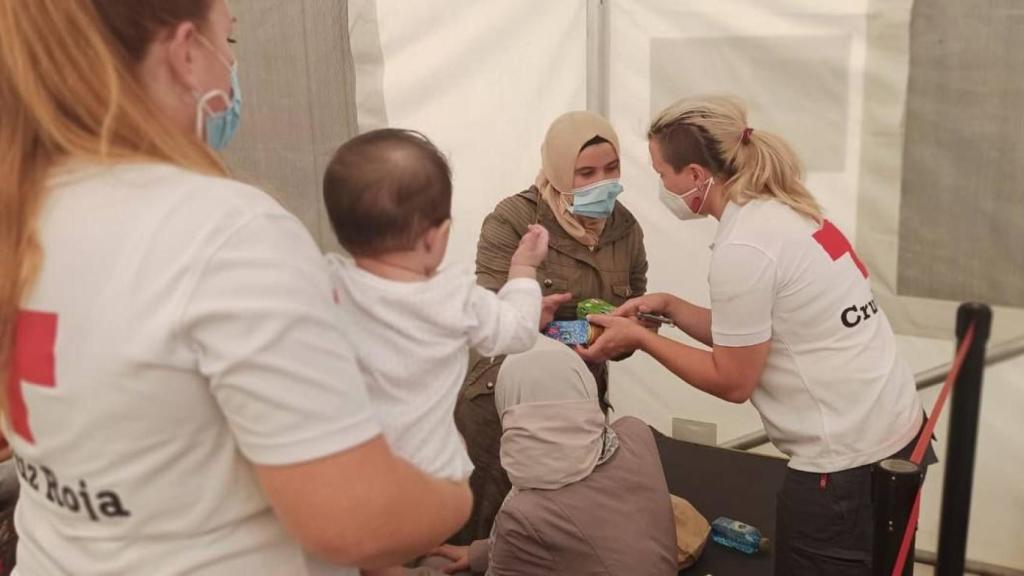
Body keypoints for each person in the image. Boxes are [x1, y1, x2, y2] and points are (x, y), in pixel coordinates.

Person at [0, 1, 469, 574]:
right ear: (186, 53)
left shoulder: (25, 208)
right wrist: (453, 490)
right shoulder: (224, 232)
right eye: (231, 40)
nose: (233, 66)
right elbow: (357, 520)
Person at [578, 95, 934, 575]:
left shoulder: (745, 246)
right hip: (895, 433)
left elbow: (733, 379)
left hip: (846, 465)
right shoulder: (786, 209)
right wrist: (672, 308)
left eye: (662, 173)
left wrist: (641, 339)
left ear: (696, 176)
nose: (659, 184)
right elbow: (762, 334)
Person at [321, 129, 547, 576]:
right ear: (437, 237)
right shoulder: (454, 297)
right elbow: (518, 332)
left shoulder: (327, 284)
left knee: (370, 547)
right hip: (432, 486)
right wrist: (522, 271)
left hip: (353, 486)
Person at [454, 111, 649, 542]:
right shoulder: (514, 220)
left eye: (611, 168)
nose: (603, 182)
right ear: (559, 170)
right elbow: (492, 321)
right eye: (586, 172)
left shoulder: (625, 228)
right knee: (484, 526)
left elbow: (635, 318)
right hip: (505, 400)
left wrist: (622, 335)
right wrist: (572, 331)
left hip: (580, 396)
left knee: (560, 530)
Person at [434, 337, 678, 576]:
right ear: (584, 386)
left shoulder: (525, 513)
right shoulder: (636, 434)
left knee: (431, 561)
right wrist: (482, 553)